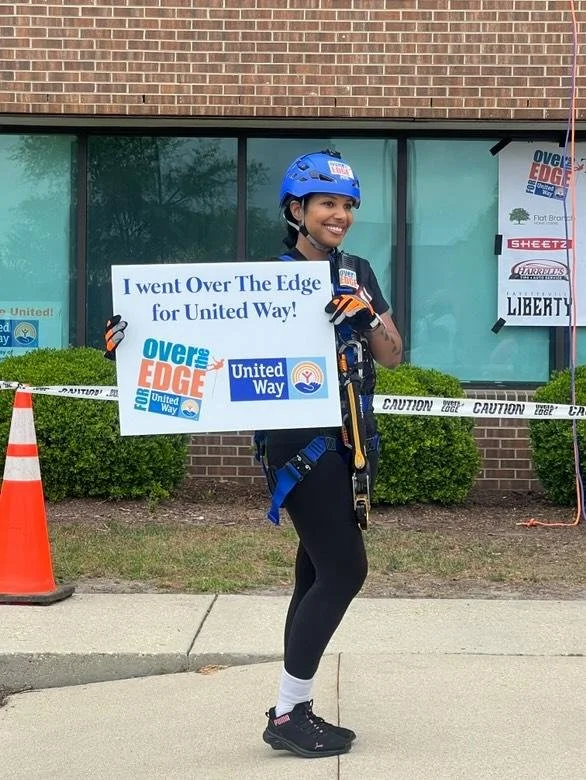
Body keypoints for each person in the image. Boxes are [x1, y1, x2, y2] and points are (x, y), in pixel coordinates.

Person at [103, 149, 402, 760]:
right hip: (301, 444)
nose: (339, 215)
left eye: (346, 205)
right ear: (297, 211)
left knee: (316, 572)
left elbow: (394, 353)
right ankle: (289, 712)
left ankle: (296, 705)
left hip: (351, 438)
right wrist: (129, 345)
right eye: (327, 204)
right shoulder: (266, 280)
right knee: (346, 571)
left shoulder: (359, 272)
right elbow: (204, 334)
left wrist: (367, 314)